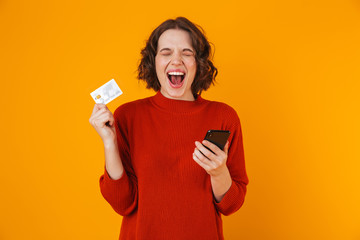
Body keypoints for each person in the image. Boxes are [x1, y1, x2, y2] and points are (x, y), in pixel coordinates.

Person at [89, 16, 249, 240]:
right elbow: (122, 203)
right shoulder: (127, 116)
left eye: (187, 52)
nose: (176, 61)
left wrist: (219, 172)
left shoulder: (223, 117)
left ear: (199, 62)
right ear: (153, 62)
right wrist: (109, 142)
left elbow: (231, 205)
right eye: (166, 52)